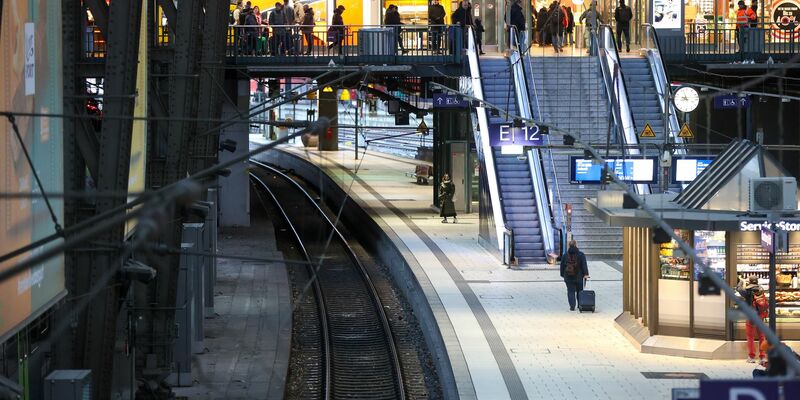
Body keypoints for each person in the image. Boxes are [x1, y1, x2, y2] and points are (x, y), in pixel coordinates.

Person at [737, 276, 767, 363]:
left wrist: (742, 281)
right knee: (762, 337)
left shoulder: (747, 290)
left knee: (750, 337)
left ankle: (751, 357)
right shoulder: (761, 289)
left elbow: (738, 289)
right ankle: (763, 357)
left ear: (749, 281)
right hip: (761, 316)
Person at [560, 240, 589, 311]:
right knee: (580, 291)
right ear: (576, 245)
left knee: (570, 291)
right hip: (579, 277)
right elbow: (584, 265)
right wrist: (586, 274)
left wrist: (563, 275)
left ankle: (572, 306)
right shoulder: (581, 254)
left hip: (568, 277)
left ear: (569, 245)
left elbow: (562, 266)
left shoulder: (565, 255)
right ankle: (580, 305)